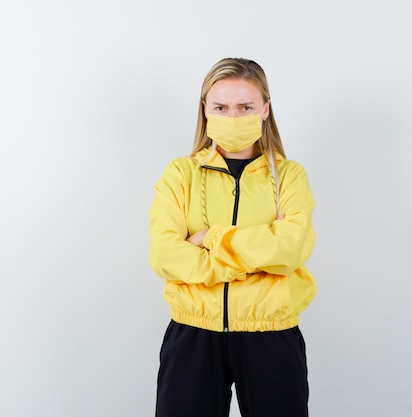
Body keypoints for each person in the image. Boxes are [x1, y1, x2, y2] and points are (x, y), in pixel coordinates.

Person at [148, 58, 317, 417]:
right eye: (221, 107)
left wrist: (210, 239)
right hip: (193, 335)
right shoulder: (181, 174)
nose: (233, 117)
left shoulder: (289, 177)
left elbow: (290, 249)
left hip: (271, 335)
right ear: (205, 110)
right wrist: (259, 254)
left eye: (246, 107)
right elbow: (165, 255)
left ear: (265, 110)